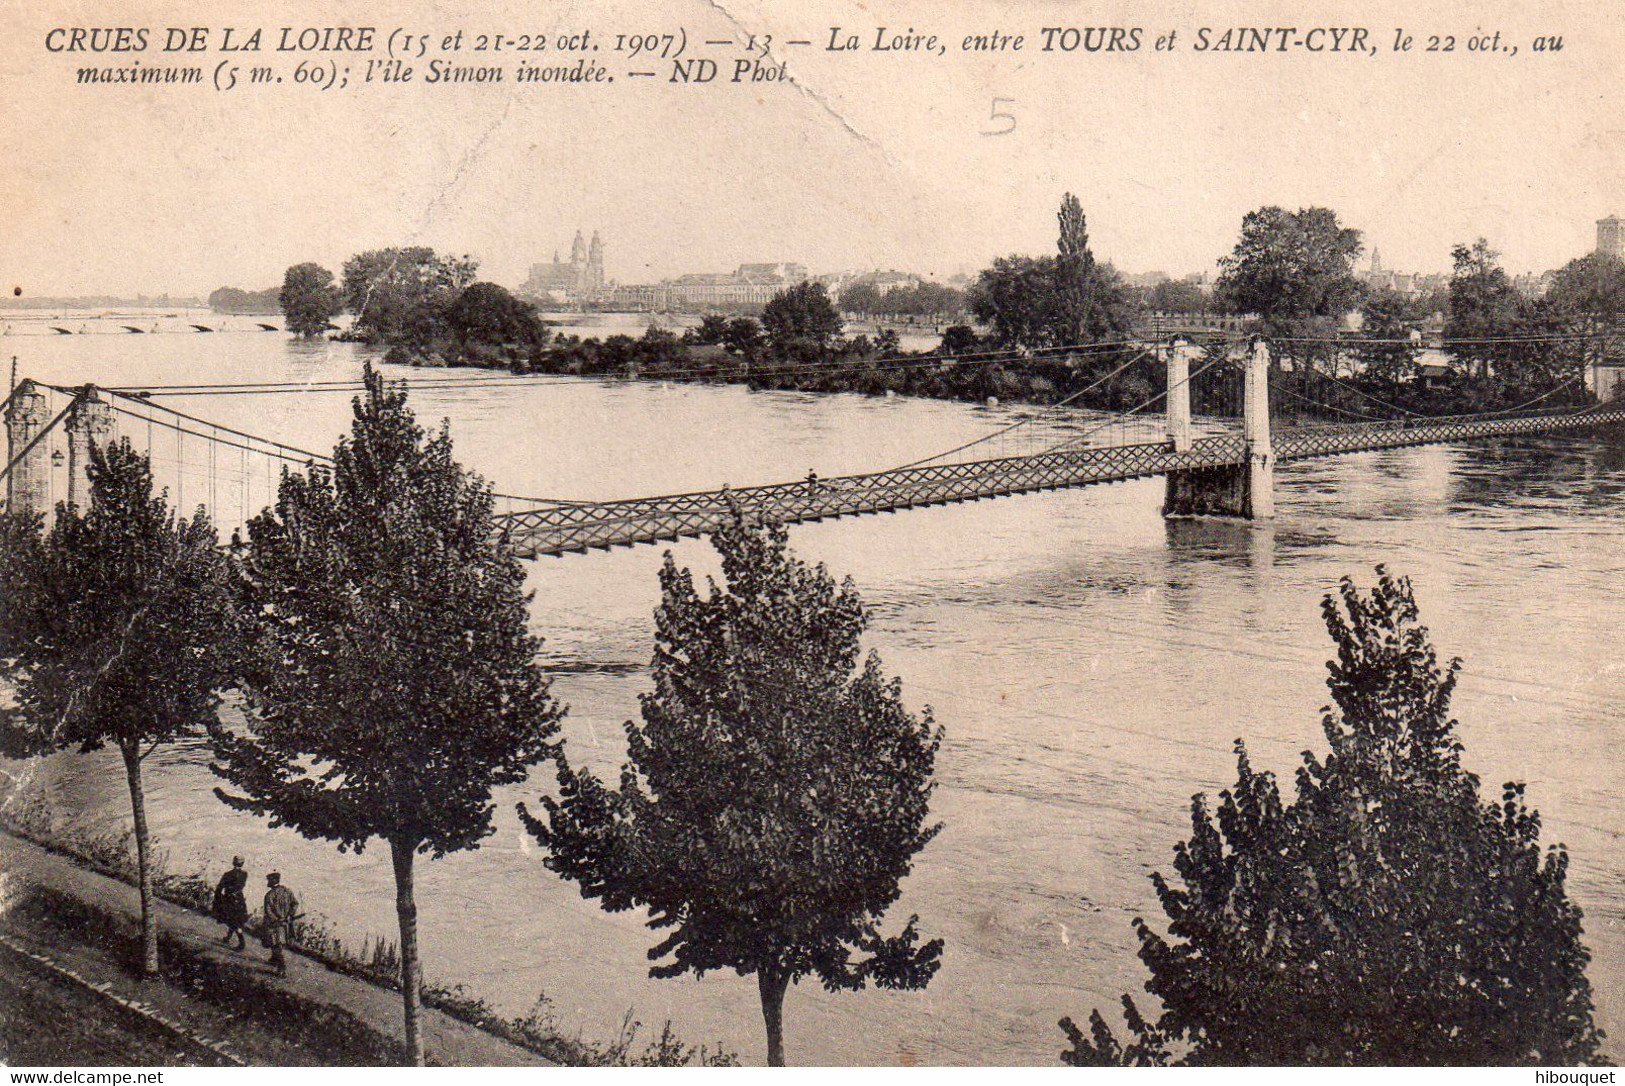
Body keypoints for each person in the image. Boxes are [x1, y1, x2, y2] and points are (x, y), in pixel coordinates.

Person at [262, 871, 300, 976]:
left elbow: (268, 911)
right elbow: (295, 904)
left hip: (274, 924)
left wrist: (276, 919)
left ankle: (281, 968)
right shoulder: (287, 891)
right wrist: (289, 916)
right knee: (279, 943)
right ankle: (274, 959)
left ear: (273, 881)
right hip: (285, 924)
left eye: (269, 880)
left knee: (275, 945)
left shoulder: (269, 895)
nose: (267, 882)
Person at [211, 856, 249, 951]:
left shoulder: (228, 874)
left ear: (233, 862)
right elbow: (240, 886)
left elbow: (220, 887)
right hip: (239, 899)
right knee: (235, 919)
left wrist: (218, 898)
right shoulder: (244, 874)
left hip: (230, 899)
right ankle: (228, 938)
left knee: (233, 921)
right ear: (242, 864)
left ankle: (241, 943)